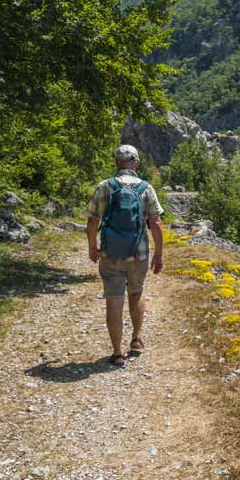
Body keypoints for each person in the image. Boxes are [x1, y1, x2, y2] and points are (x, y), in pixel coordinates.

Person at [86, 145, 164, 366]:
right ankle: (136, 339)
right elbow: (156, 225)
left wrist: (93, 247)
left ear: (117, 163)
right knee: (136, 293)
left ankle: (117, 353)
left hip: (110, 253)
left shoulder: (105, 186)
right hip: (138, 254)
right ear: (136, 164)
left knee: (114, 299)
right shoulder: (146, 188)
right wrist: (158, 255)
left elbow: (92, 222)